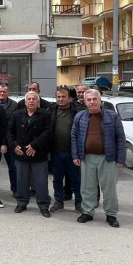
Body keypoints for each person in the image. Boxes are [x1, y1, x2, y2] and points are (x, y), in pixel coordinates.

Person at [71, 89, 126, 228]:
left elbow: (120, 137)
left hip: (107, 158)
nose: (92, 102)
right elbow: (74, 136)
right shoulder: (80, 116)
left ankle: (111, 214)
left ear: (100, 100)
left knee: (109, 188)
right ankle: (87, 212)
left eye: (94, 99)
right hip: (87, 158)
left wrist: (121, 158)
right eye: (88, 100)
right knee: (87, 187)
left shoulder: (112, 116)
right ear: (85, 102)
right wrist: (75, 155)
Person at [8, 91, 53, 217]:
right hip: (21, 152)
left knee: (41, 182)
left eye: (34, 99)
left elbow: (48, 132)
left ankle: (43, 205)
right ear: (25, 102)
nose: (31, 101)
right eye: (29, 99)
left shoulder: (45, 114)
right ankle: (21, 203)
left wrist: (34, 145)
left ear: (38, 101)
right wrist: (13, 146)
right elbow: (10, 132)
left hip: (39, 153)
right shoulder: (17, 114)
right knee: (21, 181)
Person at [49, 86, 83, 214]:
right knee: (57, 179)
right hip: (56, 152)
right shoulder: (51, 111)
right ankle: (59, 202)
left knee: (76, 179)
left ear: (70, 98)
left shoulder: (77, 111)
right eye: (58, 97)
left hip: (73, 153)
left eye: (63, 97)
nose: (61, 99)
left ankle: (79, 203)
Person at [0, 84, 19, 197]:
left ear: (8, 93)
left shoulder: (15, 105)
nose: (2, 94)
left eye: (4, 92)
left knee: (13, 167)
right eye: (0, 91)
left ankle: (15, 189)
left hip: (10, 140)